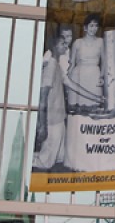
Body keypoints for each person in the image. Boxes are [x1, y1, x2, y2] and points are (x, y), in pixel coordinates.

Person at [32, 35, 68, 169]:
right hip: (52, 121)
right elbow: (43, 97)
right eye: (62, 43)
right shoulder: (51, 66)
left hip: (59, 119)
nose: (66, 46)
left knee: (59, 158)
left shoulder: (57, 65)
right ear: (54, 47)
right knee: (45, 163)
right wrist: (42, 124)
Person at [67, 14, 104, 107]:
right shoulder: (77, 42)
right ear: (85, 28)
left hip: (94, 75)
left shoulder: (101, 41)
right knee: (77, 105)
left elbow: (105, 62)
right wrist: (68, 81)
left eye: (96, 26)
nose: (94, 28)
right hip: (79, 76)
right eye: (91, 26)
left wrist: (102, 77)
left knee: (94, 104)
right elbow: (71, 63)